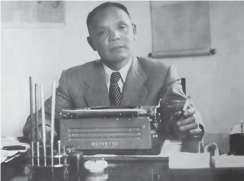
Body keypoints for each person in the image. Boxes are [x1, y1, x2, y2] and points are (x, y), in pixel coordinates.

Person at [23, 2, 204, 142]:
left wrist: (184, 122)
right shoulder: (73, 79)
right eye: (102, 32)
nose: (114, 37)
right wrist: (42, 128)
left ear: (133, 31)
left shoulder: (162, 73)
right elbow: (43, 117)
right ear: (91, 43)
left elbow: (176, 112)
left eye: (121, 27)